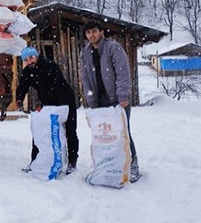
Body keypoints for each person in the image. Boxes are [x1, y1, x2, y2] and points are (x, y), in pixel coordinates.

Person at [79, 20, 141, 183]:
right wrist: (91, 100)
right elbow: (85, 78)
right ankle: (109, 165)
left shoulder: (113, 48)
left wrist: (122, 96)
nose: (91, 35)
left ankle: (133, 165)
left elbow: (123, 73)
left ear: (101, 32)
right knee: (104, 135)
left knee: (123, 133)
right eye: (88, 33)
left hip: (117, 100)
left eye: (94, 31)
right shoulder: (85, 53)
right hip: (99, 100)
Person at [16, 47, 79, 175]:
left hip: (65, 100)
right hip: (48, 103)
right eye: (26, 60)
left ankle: (72, 162)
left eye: (31, 57)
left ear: (37, 56)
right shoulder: (28, 71)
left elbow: (54, 86)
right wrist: (19, 99)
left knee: (70, 131)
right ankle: (35, 160)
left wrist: (45, 106)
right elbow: (22, 86)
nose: (30, 61)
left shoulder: (50, 66)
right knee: (40, 131)